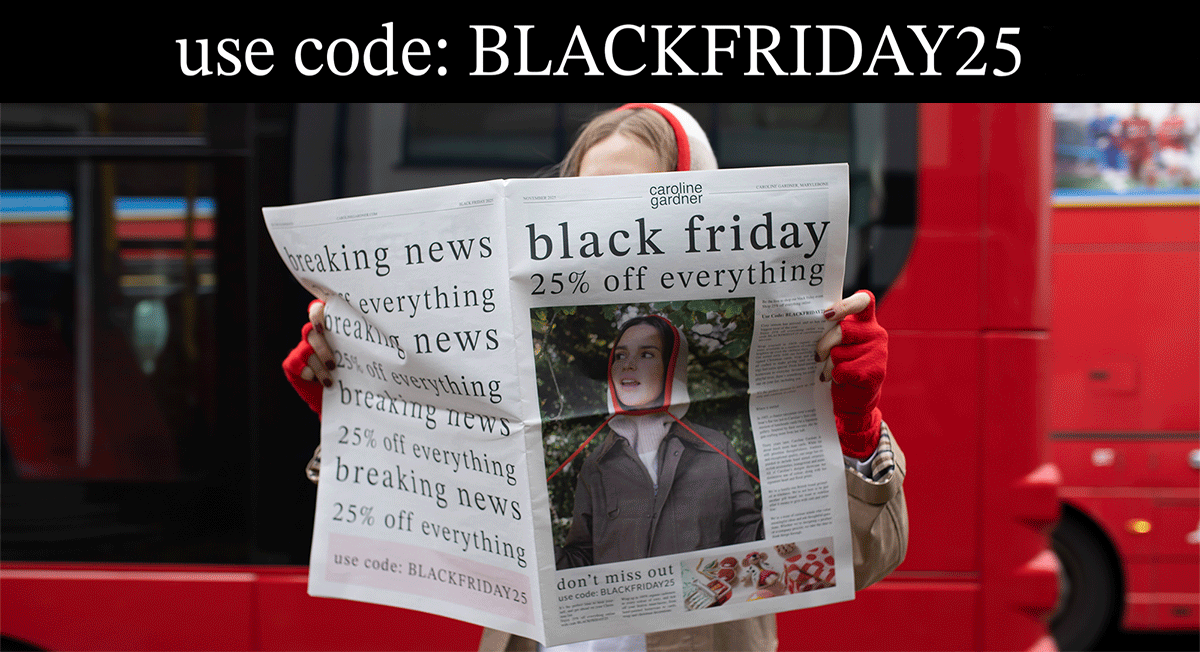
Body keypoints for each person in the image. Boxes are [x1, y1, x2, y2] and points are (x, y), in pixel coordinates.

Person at [282, 103, 908, 652]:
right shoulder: (515, 359)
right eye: (581, 202)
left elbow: (854, 559)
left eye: (630, 203)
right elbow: (434, 530)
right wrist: (358, 408)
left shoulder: (751, 400)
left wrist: (853, 431)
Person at [553, 314, 764, 569]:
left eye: (646, 354)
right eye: (620, 356)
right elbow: (582, 559)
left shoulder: (716, 449)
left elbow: (749, 536)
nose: (628, 365)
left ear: (672, 367)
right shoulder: (596, 465)